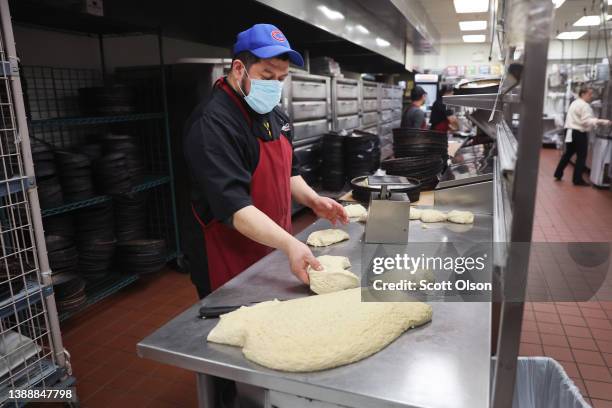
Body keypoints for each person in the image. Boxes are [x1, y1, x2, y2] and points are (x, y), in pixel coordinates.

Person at [184, 24, 348, 297]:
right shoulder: (212, 124)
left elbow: (289, 172)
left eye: (281, 78)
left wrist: (313, 200)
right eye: (267, 75)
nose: (274, 86)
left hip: (271, 244)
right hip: (228, 256)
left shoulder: (276, 115)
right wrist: (290, 244)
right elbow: (233, 207)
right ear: (239, 69)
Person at [554, 87, 611, 186]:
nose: (591, 96)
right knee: (581, 156)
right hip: (578, 132)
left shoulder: (574, 103)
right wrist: (603, 121)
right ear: (583, 94)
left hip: (569, 131)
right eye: (589, 94)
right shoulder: (585, 106)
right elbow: (586, 121)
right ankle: (577, 180)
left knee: (568, 153)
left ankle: (558, 173)